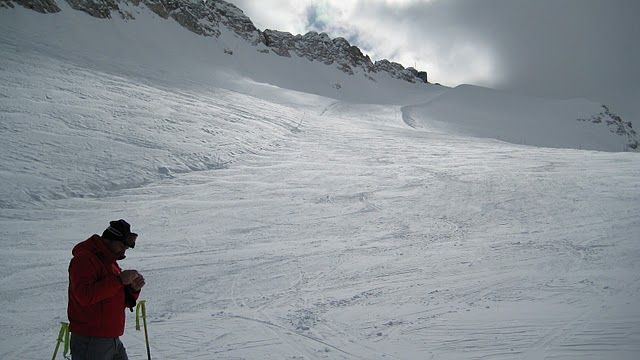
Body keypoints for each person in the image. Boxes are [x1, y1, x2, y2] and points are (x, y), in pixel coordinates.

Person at [67, 219, 146, 360]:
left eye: (126, 248)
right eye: (122, 245)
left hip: (112, 338)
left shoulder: (110, 263)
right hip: (91, 340)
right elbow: (85, 296)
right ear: (109, 239)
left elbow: (114, 299)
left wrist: (132, 290)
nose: (123, 250)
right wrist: (119, 280)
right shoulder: (85, 259)